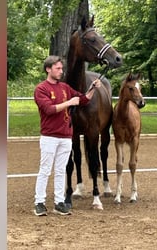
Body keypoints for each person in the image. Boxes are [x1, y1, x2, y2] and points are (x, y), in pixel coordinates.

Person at [33, 55, 102, 216]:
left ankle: (59, 202)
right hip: (49, 136)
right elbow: (49, 110)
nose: (61, 71)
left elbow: (83, 99)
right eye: (57, 68)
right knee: (45, 170)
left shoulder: (65, 87)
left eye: (62, 68)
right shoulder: (41, 89)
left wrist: (92, 88)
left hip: (65, 136)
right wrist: (69, 103)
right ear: (48, 69)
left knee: (60, 170)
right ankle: (39, 202)